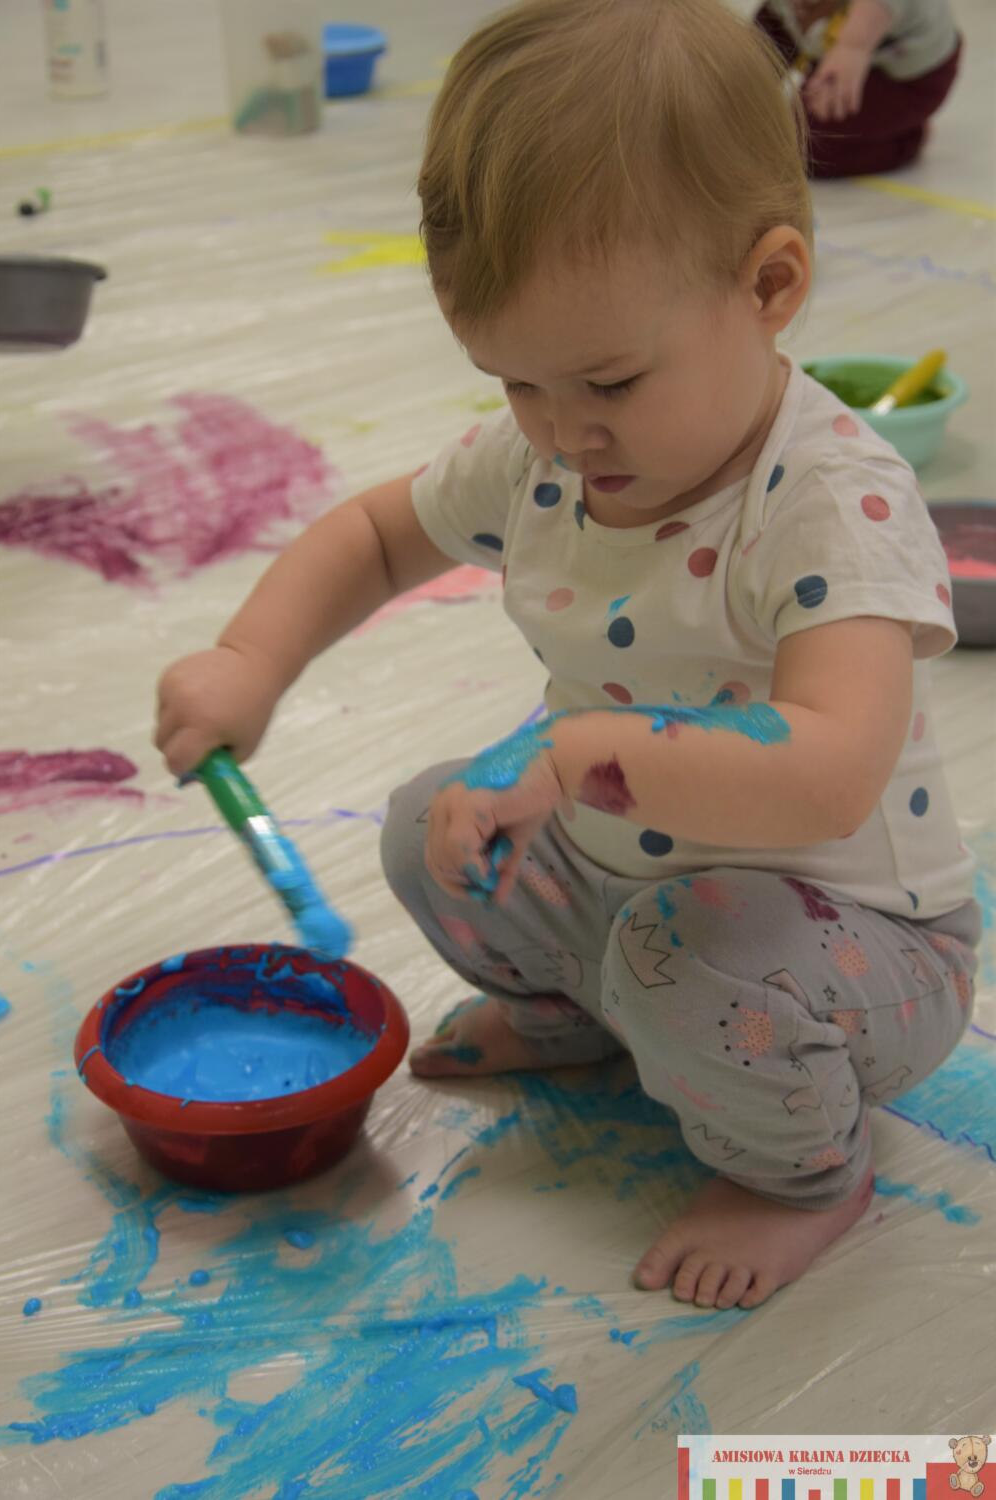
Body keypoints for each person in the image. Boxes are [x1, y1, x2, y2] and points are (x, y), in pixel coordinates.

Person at [155, 0, 979, 1311]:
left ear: (769, 289)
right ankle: (585, 1020)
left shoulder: (831, 503)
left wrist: (580, 754)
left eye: (607, 383)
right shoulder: (549, 451)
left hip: (852, 955)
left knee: (683, 951)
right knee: (430, 825)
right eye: (515, 382)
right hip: (632, 888)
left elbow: (829, 773)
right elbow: (376, 535)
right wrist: (252, 659)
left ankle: (801, 1177)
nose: (560, 433)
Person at [756, 0, 961, 176]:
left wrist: (852, 47)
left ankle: (907, 139)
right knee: (753, 57)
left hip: (901, 74)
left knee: (808, 144)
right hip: (819, 34)